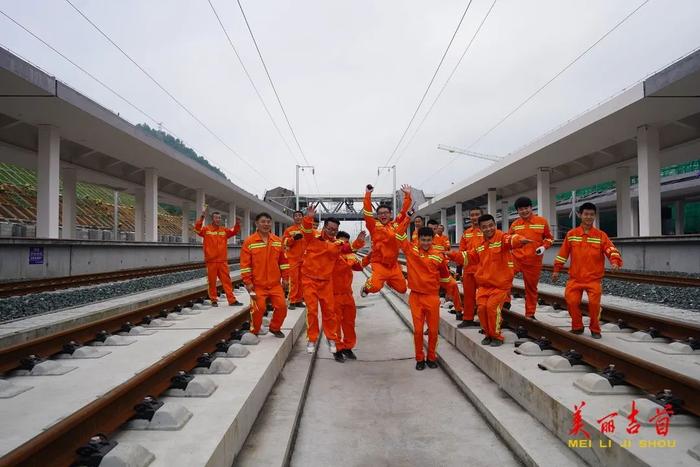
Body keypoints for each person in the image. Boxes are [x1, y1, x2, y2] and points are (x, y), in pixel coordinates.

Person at [301, 204, 365, 361]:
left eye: (334, 230)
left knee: (348, 322)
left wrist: (358, 243)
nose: (332, 232)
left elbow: (348, 250)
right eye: (330, 229)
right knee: (315, 312)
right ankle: (334, 347)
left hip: (331, 286)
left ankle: (348, 346)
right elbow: (306, 230)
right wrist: (309, 217)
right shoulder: (313, 237)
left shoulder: (336, 245)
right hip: (310, 280)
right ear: (324, 227)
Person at [552, 203, 622, 339]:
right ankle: (577, 327)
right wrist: (556, 270)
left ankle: (595, 329)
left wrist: (615, 262)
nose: (589, 217)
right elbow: (562, 254)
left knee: (594, 305)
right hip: (575, 279)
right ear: (580, 215)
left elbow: (611, 249)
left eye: (591, 214)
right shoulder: (571, 235)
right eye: (586, 214)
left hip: (593, 279)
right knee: (571, 302)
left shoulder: (601, 236)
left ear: (595, 216)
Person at [464, 214, 531, 346]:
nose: (488, 229)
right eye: (485, 227)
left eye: (491, 225)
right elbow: (469, 256)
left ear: (495, 225)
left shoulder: (501, 237)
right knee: (482, 309)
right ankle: (488, 334)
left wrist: (520, 240)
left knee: (492, 308)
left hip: (500, 285)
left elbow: (511, 239)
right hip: (484, 285)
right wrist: (451, 255)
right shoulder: (480, 244)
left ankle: (496, 336)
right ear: (480, 229)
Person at [395, 217, 450, 370]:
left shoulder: (439, 255)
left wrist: (450, 291)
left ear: (433, 239)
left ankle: (431, 357)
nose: (425, 243)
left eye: (428, 240)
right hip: (416, 297)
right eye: (423, 240)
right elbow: (399, 232)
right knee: (418, 331)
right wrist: (408, 216)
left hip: (432, 297)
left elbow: (445, 276)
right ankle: (419, 358)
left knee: (433, 331)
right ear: (418, 239)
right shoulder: (411, 250)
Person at [240, 212, 290, 338]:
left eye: (268, 222)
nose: (266, 224)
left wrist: (285, 278)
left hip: (274, 284)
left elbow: (284, 262)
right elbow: (245, 265)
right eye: (263, 221)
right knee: (258, 309)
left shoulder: (278, 241)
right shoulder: (249, 242)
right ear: (256, 223)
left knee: (282, 307)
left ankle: (275, 328)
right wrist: (248, 282)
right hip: (257, 285)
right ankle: (254, 331)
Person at [360, 184, 413, 297]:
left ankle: (389, 280)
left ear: (390, 214)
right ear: (377, 215)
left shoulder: (395, 224)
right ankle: (366, 286)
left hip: (393, 265)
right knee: (374, 287)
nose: (383, 215)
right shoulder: (373, 226)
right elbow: (367, 213)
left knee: (403, 289)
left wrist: (407, 195)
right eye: (380, 213)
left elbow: (403, 212)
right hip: (379, 264)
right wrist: (368, 194)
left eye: (386, 213)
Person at [509, 197, 554, 319]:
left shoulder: (541, 222)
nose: (524, 211)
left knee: (531, 289)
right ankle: (506, 302)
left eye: (526, 208)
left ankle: (530, 314)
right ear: (517, 211)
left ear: (531, 207)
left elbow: (549, 238)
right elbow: (508, 240)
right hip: (516, 259)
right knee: (504, 279)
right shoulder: (515, 224)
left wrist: (544, 247)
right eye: (521, 209)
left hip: (533, 261)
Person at [194, 204, 242, 307]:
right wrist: (202, 217)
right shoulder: (206, 230)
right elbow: (197, 229)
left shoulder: (224, 230)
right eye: (216, 217)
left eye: (219, 218)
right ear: (212, 218)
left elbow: (234, 232)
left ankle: (232, 300)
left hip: (222, 261)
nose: (218, 219)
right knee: (212, 282)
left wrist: (237, 224)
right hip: (211, 261)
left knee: (227, 281)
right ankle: (214, 300)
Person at [333, 231, 365, 360]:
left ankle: (348, 347)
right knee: (335, 324)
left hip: (347, 294)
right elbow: (342, 268)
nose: (344, 244)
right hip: (333, 294)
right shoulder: (332, 254)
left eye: (346, 241)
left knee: (349, 323)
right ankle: (337, 350)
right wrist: (351, 261)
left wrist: (371, 257)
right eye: (342, 241)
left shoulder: (350, 255)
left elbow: (360, 267)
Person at [427, 220, 464, 319]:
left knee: (454, 285)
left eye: (434, 229)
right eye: (430, 229)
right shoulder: (423, 240)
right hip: (430, 274)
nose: (432, 231)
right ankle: (431, 322)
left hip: (442, 271)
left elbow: (447, 252)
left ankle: (458, 311)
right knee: (430, 299)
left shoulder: (442, 239)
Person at [457, 207, 484, 328]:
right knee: (468, 296)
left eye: (477, 214)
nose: (474, 217)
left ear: (481, 216)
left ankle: (485, 321)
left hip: (483, 270)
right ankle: (468, 318)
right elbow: (462, 251)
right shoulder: (466, 233)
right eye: (472, 215)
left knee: (484, 296)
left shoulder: (487, 231)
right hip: (468, 270)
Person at [282, 210, 306, 309]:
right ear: (293, 218)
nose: (297, 217)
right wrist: (293, 239)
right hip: (293, 258)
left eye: (299, 215)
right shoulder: (289, 230)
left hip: (304, 259)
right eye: (295, 216)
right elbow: (284, 242)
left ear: (302, 217)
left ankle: (299, 300)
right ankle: (292, 300)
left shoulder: (306, 230)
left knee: (302, 281)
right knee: (294, 280)